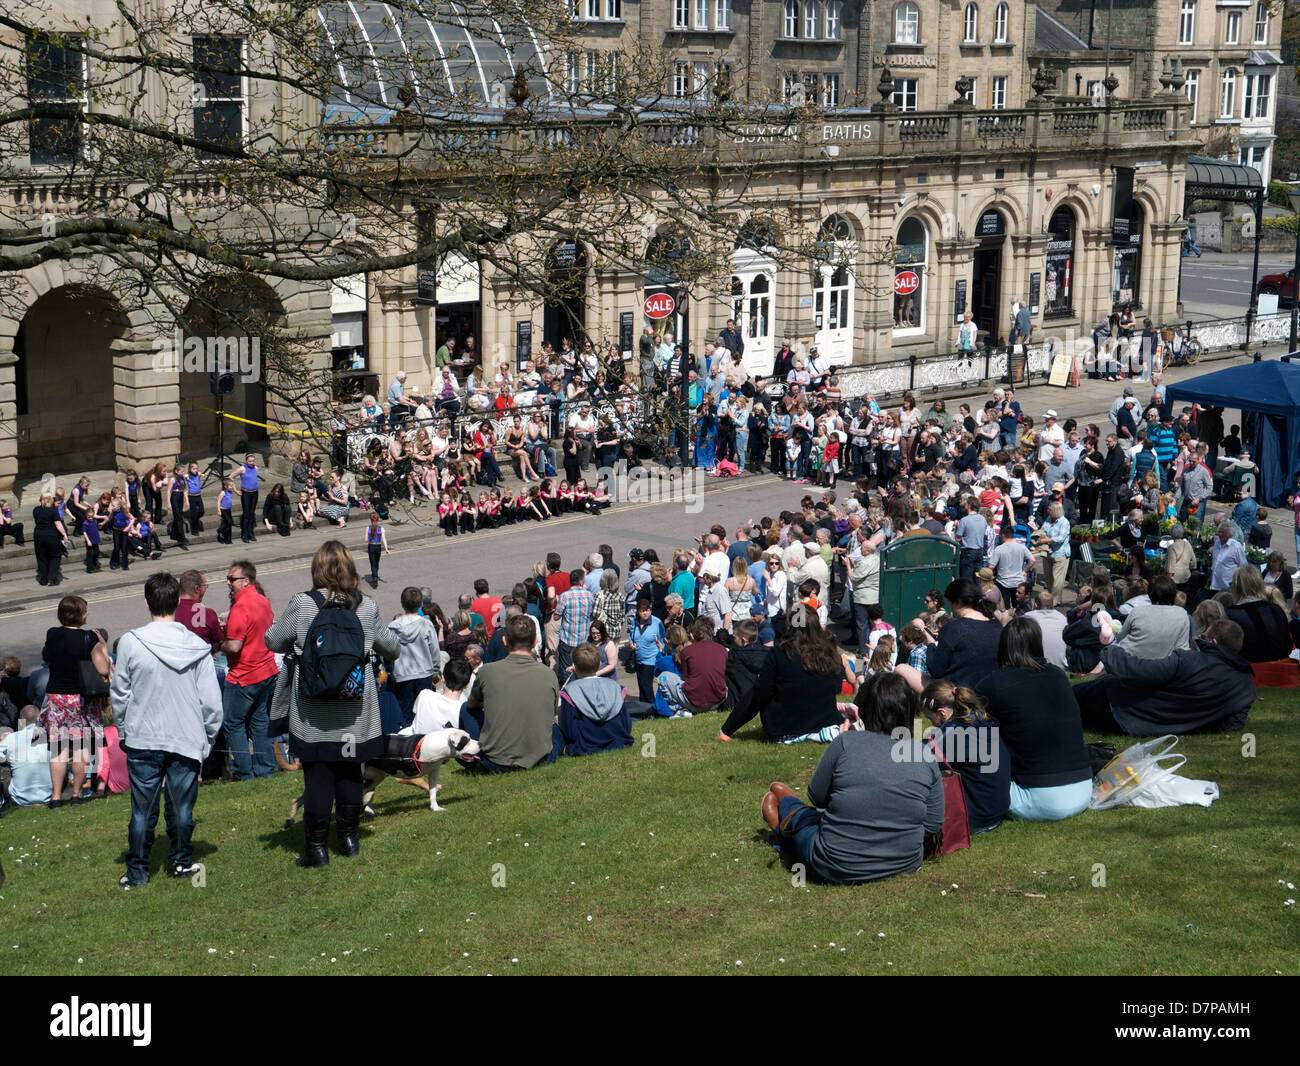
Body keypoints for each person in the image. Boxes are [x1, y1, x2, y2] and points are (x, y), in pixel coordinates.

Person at [266, 541, 401, 866]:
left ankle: (315, 849)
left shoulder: (303, 604)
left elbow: (273, 639)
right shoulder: (365, 607)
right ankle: (349, 839)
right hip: (354, 711)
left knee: (317, 778)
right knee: (350, 775)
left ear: (317, 569)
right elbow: (392, 648)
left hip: (312, 713)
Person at [761, 674, 944, 884]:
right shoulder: (924, 755)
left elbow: (817, 796)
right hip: (904, 863)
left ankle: (784, 820)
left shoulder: (846, 742)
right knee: (810, 816)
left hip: (834, 863)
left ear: (865, 707)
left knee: (805, 818)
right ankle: (789, 809)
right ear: (910, 711)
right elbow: (933, 824)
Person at [112, 572, 223, 886]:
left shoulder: (132, 643)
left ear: (147, 602)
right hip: (184, 736)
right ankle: (182, 861)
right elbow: (212, 703)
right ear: (176, 602)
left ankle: (137, 873)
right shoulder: (196, 646)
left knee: (143, 810)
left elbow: (120, 694)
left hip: (144, 736)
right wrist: (208, 737)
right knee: (182, 806)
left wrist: (123, 729)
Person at [973, 617, 1092, 821]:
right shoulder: (1059, 676)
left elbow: (965, 721)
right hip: (1083, 788)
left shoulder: (995, 683)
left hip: (1039, 799)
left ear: (1003, 646)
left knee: (980, 738)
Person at [1078, 618, 1255, 735]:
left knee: (1065, 699)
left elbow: (1138, 671)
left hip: (1120, 709)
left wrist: (1111, 648)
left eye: (1203, 636)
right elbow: (1231, 726)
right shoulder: (1246, 687)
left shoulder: (1189, 661)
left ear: (1212, 642)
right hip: (1141, 721)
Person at [460, 614, 561, 772]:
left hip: (496, 761)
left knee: (466, 708)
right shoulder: (549, 674)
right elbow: (552, 712)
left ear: (505, 641)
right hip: (538, 757)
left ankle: (469, 754)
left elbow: (473, 704)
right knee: (555, 730)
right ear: (535, 641)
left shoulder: (487, 671)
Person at [40, 595, 112, 807]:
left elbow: (46, 656)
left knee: (58, 748)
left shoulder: (52, 634)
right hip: (80, 699)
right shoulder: (89, 638)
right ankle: (77, 795)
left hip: (56, 698)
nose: (87, 614)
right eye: (85, 610)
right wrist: (101, 645)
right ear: (80, 615)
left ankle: (55, 798)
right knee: (81, 747)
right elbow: (103, 669)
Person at [919, 679, 1010, 834]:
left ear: (942, 712)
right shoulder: (978, 718)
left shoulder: (957, 734)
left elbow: (921, 758)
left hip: (977, 819)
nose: (932, 724)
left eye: (930, 718)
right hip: (996, 810)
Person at [219, 560, 279, 780]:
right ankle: (265, 770)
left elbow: (234, 646)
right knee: (260, 720)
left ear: (245, 581)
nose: (228, 583)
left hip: (244, 675)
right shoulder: (262, 601)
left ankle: (245, 773)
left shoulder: (240, 606)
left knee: (233, 723)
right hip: (266, 670)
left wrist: (218, 642)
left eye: (231, 579)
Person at [751, 611, 844, 742]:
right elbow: (837, 687)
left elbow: (761, 693)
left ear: (790, 625)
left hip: (785, 727)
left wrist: (727, 730)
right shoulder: (828, 651)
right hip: (823, 720)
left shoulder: (779, 653)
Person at [557, 642, 633, 756]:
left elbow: (570, 730)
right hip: (618, 740)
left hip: (583, 745)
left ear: (575, 667)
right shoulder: (616, 687)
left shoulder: (569, 692)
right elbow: (626, 724)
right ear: (599, 664)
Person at [925, 578, 1003, 688]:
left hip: (960, 695)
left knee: (902, 669)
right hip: (992, 691)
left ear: (956, 602)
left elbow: (936, 670)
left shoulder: (952, 629)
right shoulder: (997, 626)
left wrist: (930, 645)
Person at [388, 586, 440, 727]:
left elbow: (387, 652)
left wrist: (390, 670)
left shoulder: (393, 627)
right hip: (424, 674)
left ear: (402, 604)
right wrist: (435, 669)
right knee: (424, 714)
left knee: (405, 714)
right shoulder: (426, 624)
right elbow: (434, 650)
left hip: (402, 675)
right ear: (421, 604)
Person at [657, 617, 728, 718]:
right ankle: (713, 709)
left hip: (694, 702)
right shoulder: (723, 650)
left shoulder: (687, 651)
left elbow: (685, 678)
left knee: (663, 677)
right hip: (718, 700)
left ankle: (679, 710)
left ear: (691, 635)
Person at [1224, 564, 1292, 663]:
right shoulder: (1276, 609)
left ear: (1236, 586)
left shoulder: (1230, 615)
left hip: (1246, 673)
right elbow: (1287, 646)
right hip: (1277, 671)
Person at [0, 705, 53, 807]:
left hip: (19, 798)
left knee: (4, 765)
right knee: (60, 762)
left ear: (21, 722)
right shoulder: (50, 735)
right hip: (50, 794)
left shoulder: (11, 738)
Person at [32, 492, 68, 586]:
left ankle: (43, 580)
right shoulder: (53, 510)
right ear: (50, 500)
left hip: (39, 535)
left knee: (41, 558)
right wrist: (64, 535)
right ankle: (51, 579)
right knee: (55, 557)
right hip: (51, 536)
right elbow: (58, 524)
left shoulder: (36, 510)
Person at [234, 453, 262, 544]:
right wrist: (235, 490)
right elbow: (230, 477)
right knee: (246, 514)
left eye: (253, 461)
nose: (251, 463)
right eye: (250, 461)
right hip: (245, 493)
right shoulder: (242, 468)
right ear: (246, 461)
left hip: (254, 493)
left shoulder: (256, 468)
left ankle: (251, 533)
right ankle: (244, 534)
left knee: (251, 513)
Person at [364, 511, 389, 587]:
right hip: (378, 546)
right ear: (378, 519)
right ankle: (375, 575)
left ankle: (374, 576)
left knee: (372, 562)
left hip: (371, 546)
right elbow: (383, 539)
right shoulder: (381, 529)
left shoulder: (368, 528)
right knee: (376, 562)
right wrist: (386, 549)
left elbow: (365, 539)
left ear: (371, 519)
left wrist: (369, 536)